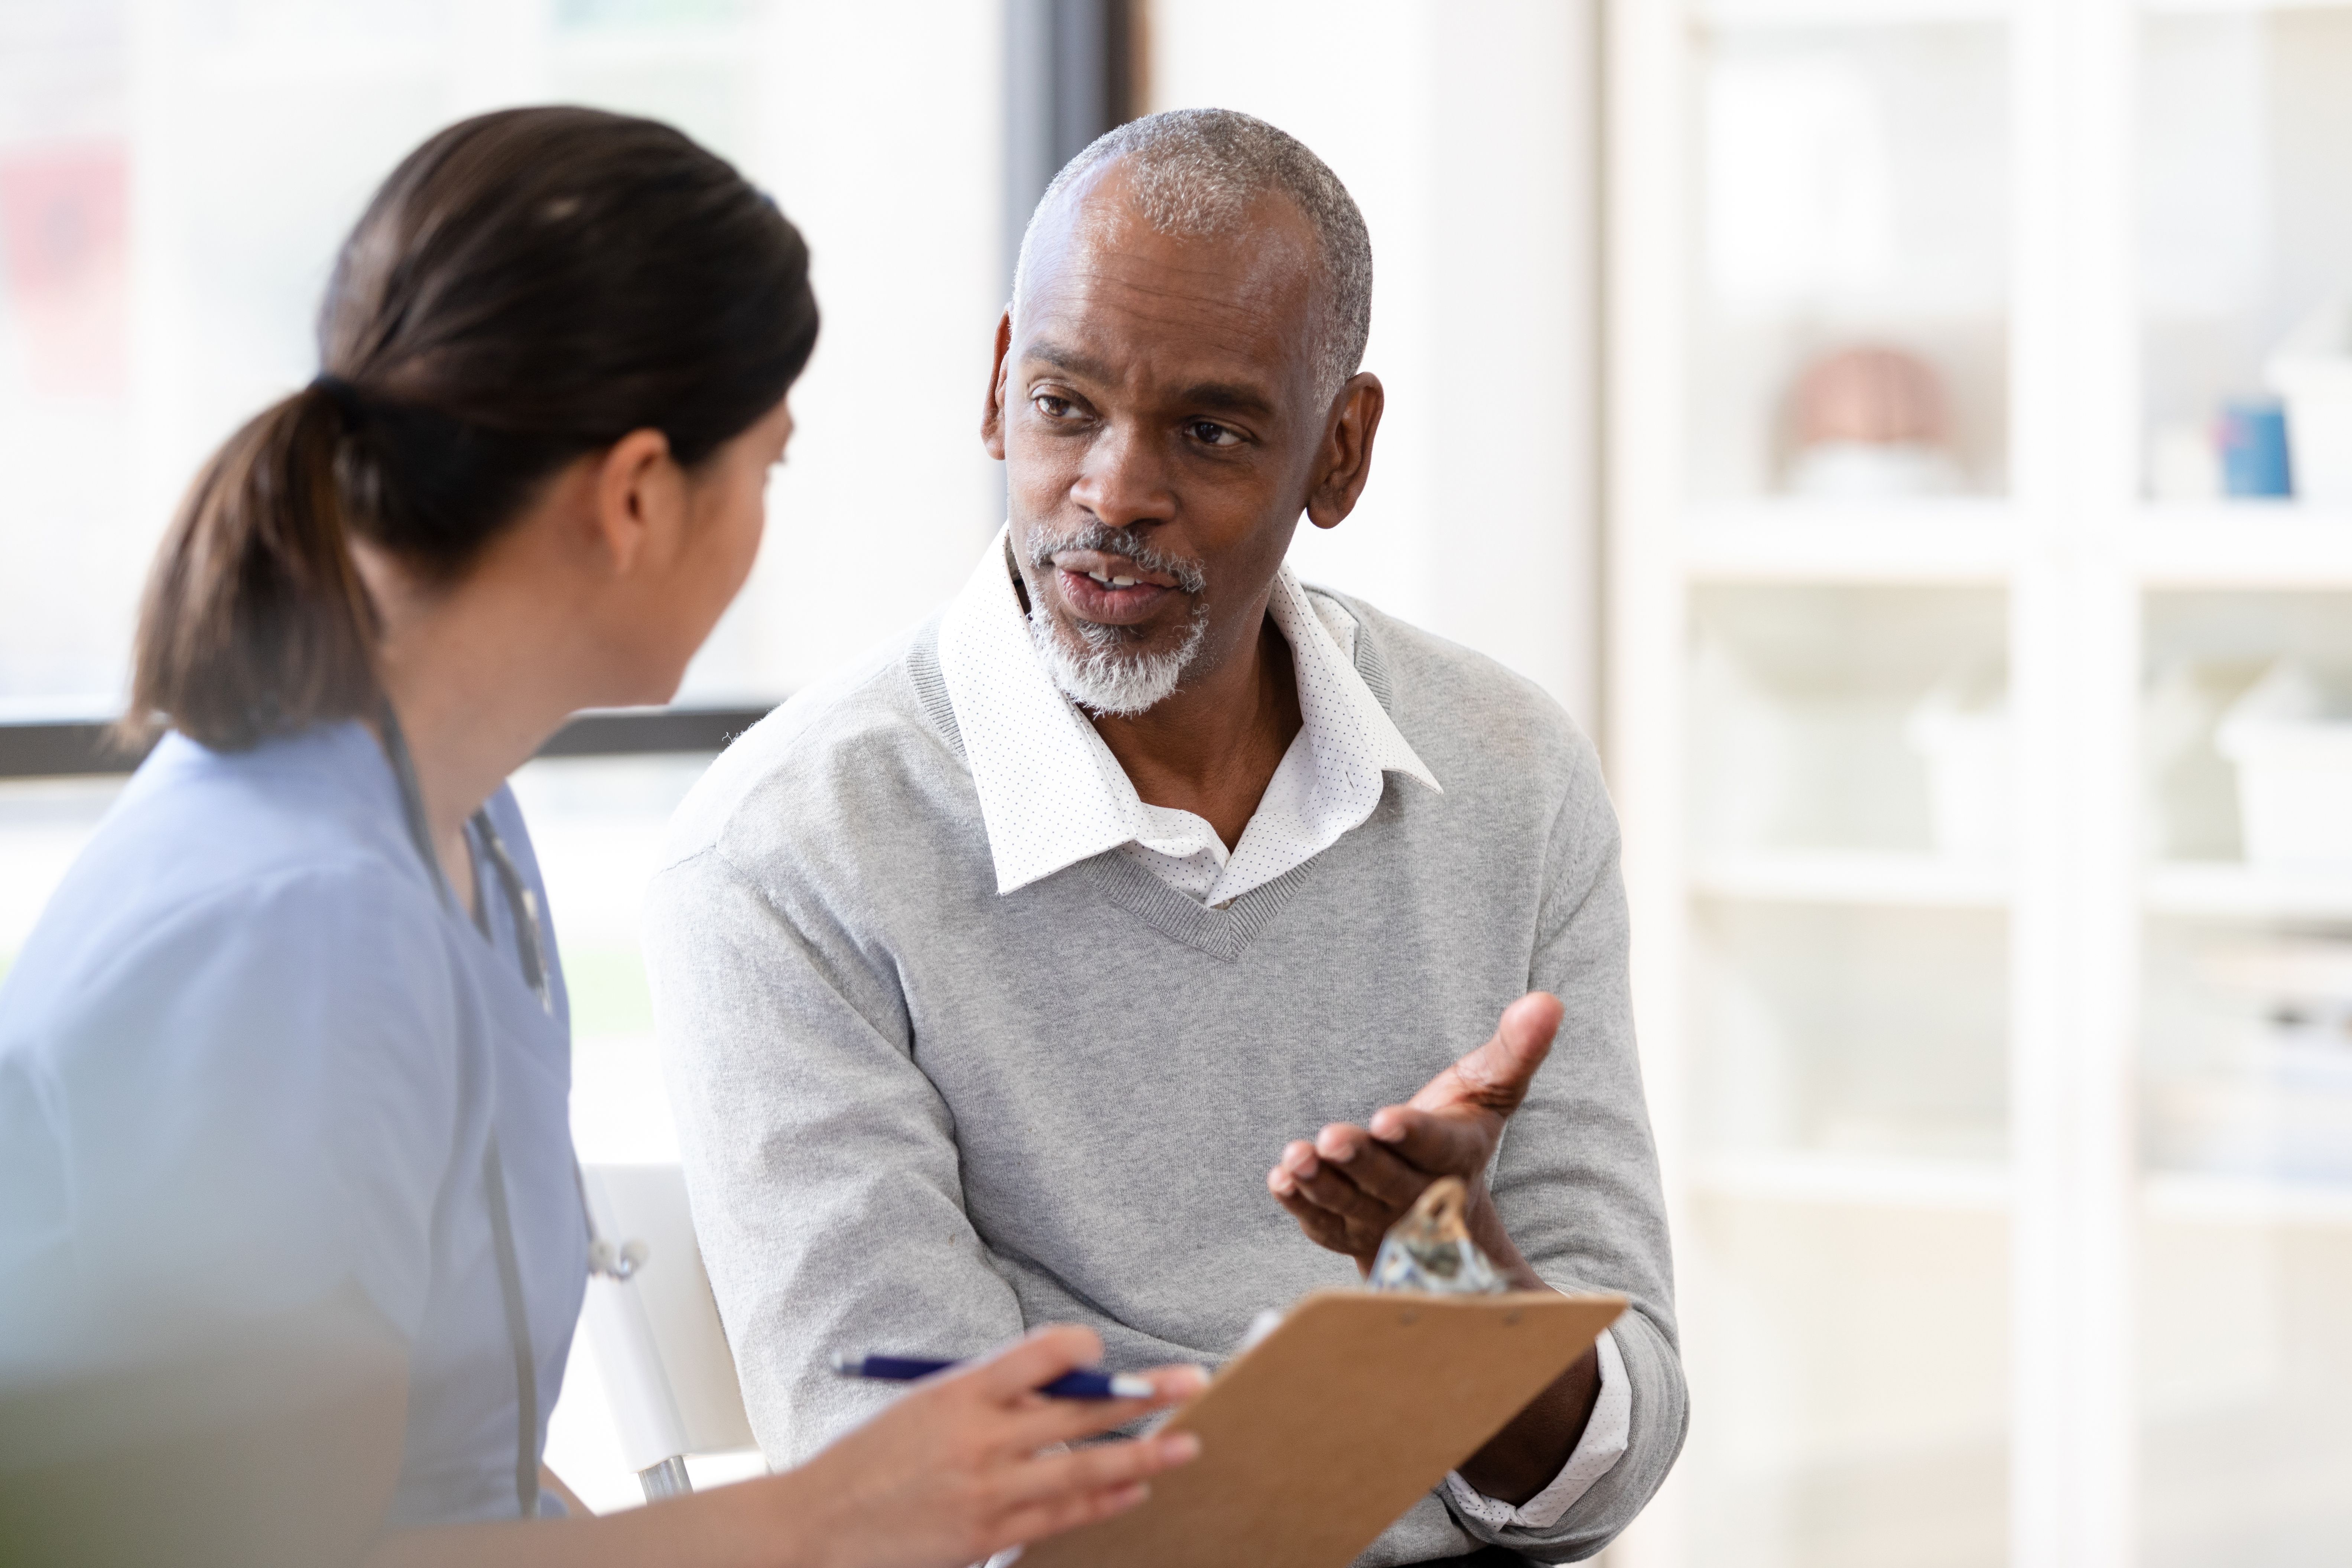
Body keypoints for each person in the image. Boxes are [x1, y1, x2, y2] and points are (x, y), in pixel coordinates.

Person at [0, 107, 1201, 1568]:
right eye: (766, 466)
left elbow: (449, 1486)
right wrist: (815, 1521)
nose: (764, 520)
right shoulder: (297, 928)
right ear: (635, 495)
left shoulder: (460, 833)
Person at [646, 108, 1685, 1566]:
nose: (1114, 493)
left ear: (1339, 451)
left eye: (1208, 431)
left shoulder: (1505, 770)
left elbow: (1615, 1458)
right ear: (997, 389)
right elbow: (902, 1491)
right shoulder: (787, 854)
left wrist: (1456, 1289)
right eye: (1063, 405)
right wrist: (1395, 1389)